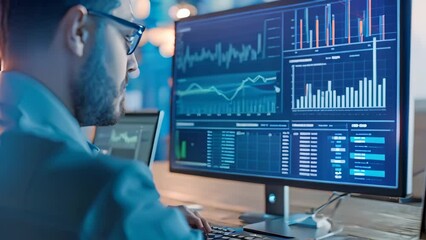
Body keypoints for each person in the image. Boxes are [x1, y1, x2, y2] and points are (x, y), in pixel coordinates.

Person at [0, 0, 211, 239]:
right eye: (127, 39)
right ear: (78, 31)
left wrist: (151, 221)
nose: (134, 67)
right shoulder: (108, 193)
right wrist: (131, 217)